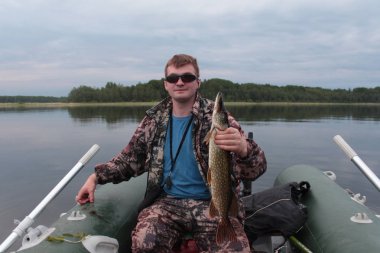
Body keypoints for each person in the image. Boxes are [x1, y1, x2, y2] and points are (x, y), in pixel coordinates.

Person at [76, 54, 267, 252]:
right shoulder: (153, 120)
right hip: (166, 204)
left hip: (211, 204)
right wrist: (95, 177)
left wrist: (244, 148)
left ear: (198, 82)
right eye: (173, 78)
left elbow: (257, 169)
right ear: (166, 84)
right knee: (143, 243)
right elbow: (128, 160)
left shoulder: (219, 120)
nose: (180, 82)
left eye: (188, 77)